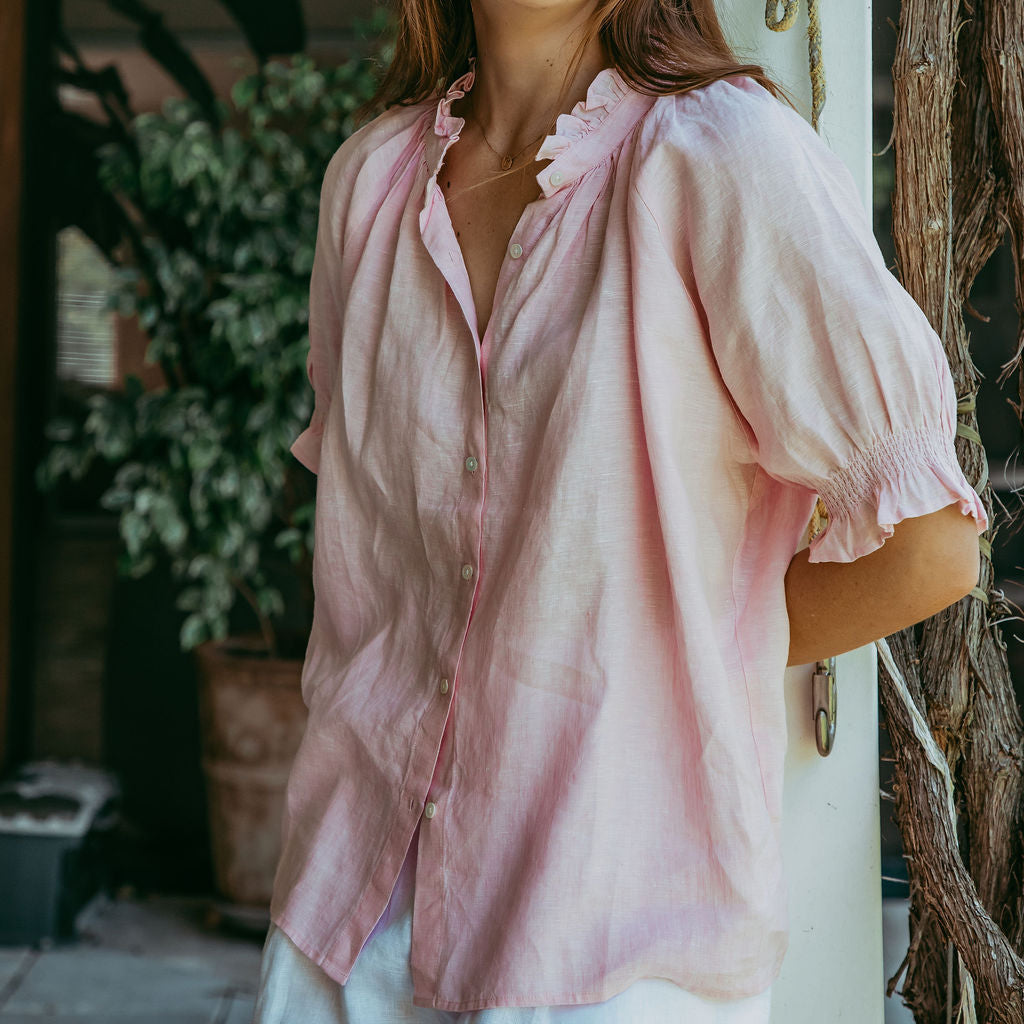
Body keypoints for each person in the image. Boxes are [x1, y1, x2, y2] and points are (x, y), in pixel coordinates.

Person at [252, 0, 989, 1020]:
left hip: (616, 937)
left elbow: (931, 550)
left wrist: (689, 642)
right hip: (347, 927)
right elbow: (375, 550)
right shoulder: (368, 184)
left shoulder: (724, 158)